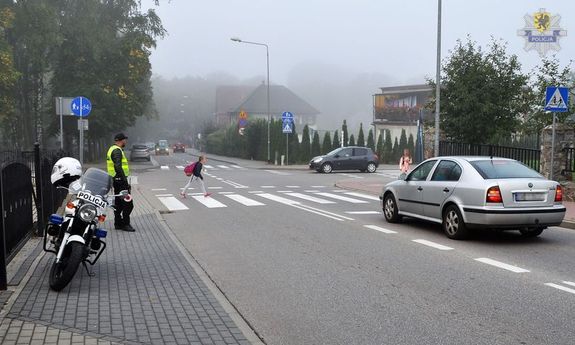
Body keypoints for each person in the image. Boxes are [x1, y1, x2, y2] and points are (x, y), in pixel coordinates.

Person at [106, 133, 135, 232]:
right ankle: (125, 224)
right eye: (124, 140)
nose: (125, 141)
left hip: (116, 180)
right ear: (120, 140)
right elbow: (118, 166)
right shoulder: (117, 151)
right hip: (120, 181)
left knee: (118, 203)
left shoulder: (112, 149)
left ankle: (117, 223)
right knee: (128, 204)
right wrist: (124, 180)